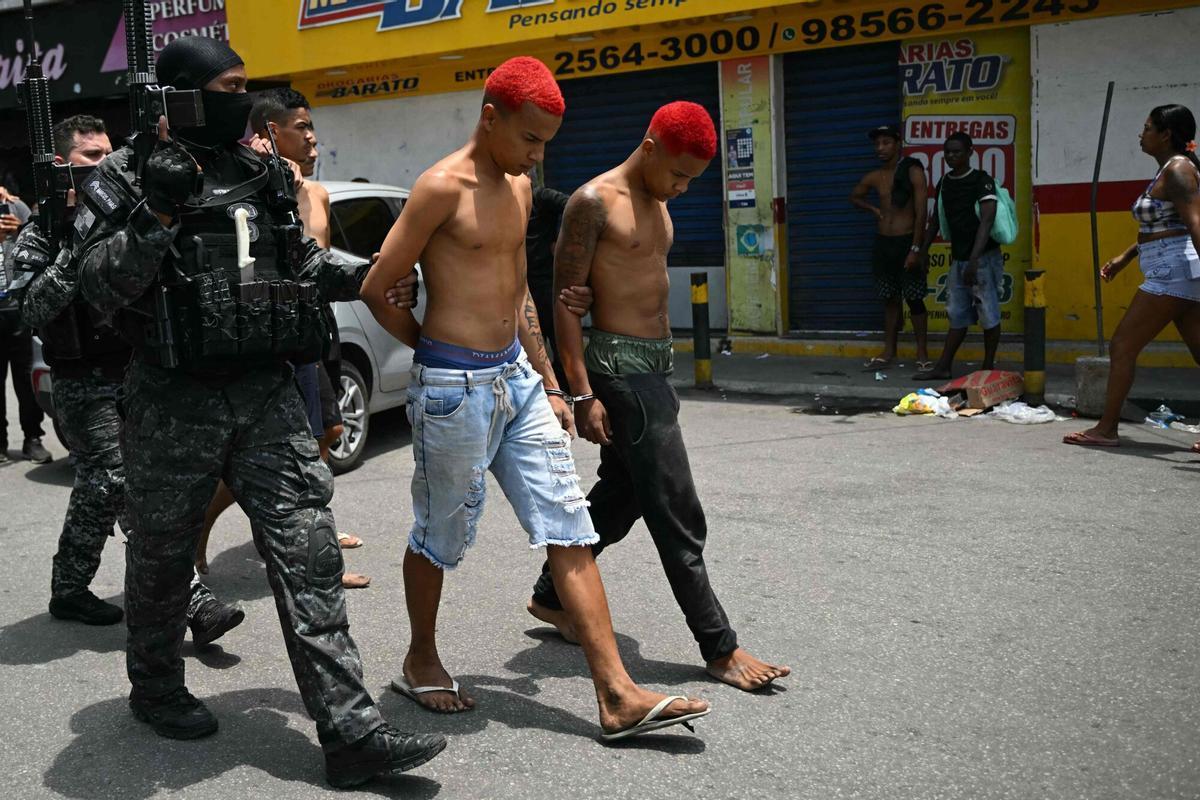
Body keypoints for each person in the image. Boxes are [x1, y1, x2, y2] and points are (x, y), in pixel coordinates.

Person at [72, 37, 444, 786]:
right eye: (227, 86)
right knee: (162, 557)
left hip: (265, 393)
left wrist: (373, 274)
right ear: (178, 94)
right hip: (174, 397)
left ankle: (349, 732)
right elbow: (98, 286)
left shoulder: (262, 171)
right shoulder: (125, 177)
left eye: (244, 86)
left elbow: (301, 264)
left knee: (310, 554)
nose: (241, 99)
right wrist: (162, 210)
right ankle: (155, 687)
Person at [361, 56, 710, 740]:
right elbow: (379, 284)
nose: (537, 153)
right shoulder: (440, 188)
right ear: (490, 117)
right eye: (529, 137)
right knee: (440, 532)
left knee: (569, 522)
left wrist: (549, 382)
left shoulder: (521, 185)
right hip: (454, 386)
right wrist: (430, 347)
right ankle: (421, 657)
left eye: (547, 140)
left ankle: (616, 694)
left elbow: (520, 288)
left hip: (516, 378)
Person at [525, 102, 790, 692]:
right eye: (676, 173)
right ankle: (719, 647)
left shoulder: (659, 200)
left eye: (691, 179)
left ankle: (550, 595)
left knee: (625, 493)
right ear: (650, 146)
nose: (681, 187)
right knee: (676, 508)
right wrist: (582, 393)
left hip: (654, 368)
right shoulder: (593, 203)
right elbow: (565, 307)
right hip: (620, 374)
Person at [15, 115, 244, 640]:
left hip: (139, 369)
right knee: (120, 480)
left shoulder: (125, 217)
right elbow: (28, 309)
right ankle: (193, 603)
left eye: (108, 153)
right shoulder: (43, 229)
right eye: (90, 157)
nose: (104, 164)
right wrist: (75, 254)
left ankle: (69, 587)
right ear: (60, 165)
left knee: (108, 489)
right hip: (81, 380)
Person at [195, 88, 372, 590]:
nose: (312, 137)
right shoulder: (253, 186)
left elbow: (318, 262)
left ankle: (311, 536)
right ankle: (207, 530)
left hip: (318, 326)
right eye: (300, 128)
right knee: (290, 448)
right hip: (280, 333)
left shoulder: (317, 192)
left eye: (313, 127)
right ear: (269, 133)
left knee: (326, 437)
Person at [1064, 104, 1200, 450]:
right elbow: (1163, 228)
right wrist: (1126, 257)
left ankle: (1106, 429)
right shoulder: (1170, 170)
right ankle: (1106, 427)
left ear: (1166, 134)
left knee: (1123, 345)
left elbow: (1194, 224)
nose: (1141, 134)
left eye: (1147, 127)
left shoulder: (1179, 170)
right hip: (1174, 268)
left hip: (1173, 271)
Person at [913, 132, 1001, 381]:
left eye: (957, 151)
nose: (952, 156)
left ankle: (987, 366)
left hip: (982, 258)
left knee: (988, 313)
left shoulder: (981, 181)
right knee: (957, 312)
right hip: (960, 258)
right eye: (948, 152)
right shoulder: (945, 182)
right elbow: (935, 221)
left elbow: (987, 221)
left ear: (970, 152)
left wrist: (974, 259)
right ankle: (944, 366)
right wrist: (923, 250)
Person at [850, 124, 931, 371]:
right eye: (877, 144)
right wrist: (874, 209)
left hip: (907, 241)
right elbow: (855, 196)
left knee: (915, 299)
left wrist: (916, 248)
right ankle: (889, 350)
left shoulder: (913, 171)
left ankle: (922, 352)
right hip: (884, 243)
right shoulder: (875, 176)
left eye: (886, 143)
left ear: (897, 143)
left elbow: (921, 213)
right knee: (889, 299)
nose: (880, 148)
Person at [0, 184, 51, 464]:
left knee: (25, 379)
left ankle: (33, 439)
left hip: (16, 308)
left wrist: (19, 231)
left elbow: (35, 249)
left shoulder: (16, 208)